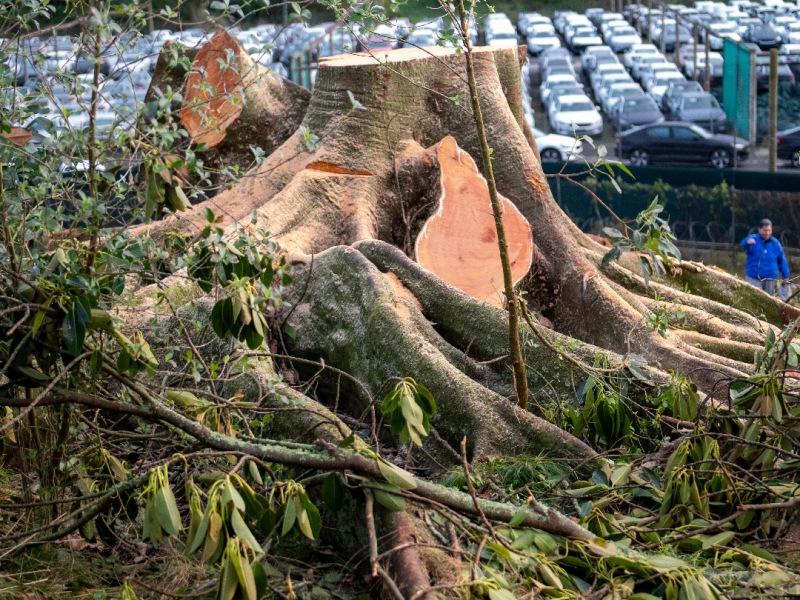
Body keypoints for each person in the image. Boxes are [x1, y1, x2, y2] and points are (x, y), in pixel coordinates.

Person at [741, 219, 791, 300]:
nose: (767, 233)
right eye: (765, 230)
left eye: (769, 230)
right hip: (754, 277)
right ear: (759, 229)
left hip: (770, 278)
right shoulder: (753, 240)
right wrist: (747, 243)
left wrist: (786, 276)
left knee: (767, 301)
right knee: (751, 299)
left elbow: (782, 261)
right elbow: (743, 243)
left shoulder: (776, 244)